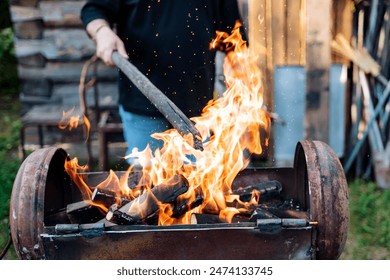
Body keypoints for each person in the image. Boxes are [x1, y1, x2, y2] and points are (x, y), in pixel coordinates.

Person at [80, 0, 245, 164]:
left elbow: (234, 41)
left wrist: (241, 99)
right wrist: (102, 31)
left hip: (198, 110)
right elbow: (94, 9)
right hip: (141, 105)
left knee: (198, 180)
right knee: (147, 182)